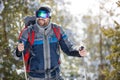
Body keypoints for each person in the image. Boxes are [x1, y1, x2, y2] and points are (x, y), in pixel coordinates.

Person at [15, 5, 87, 80]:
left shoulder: (57, 30)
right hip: (36, 77)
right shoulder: (28, 32)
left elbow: (68, 48)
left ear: (49, 16)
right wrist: (19, 50)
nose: (41, 17)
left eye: (44, 15)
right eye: (38, 14)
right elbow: (19, 55)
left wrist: (78, 52)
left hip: (55, 76)